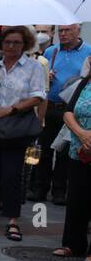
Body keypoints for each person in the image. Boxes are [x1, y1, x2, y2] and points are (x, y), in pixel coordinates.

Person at [0, 26, 45, 241]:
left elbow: (38, 96)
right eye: (7, 42)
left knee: (12, 174)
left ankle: (13, 219)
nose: (11, 46)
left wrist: (10, 109)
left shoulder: (33, 67)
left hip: (15, 128)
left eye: (17, 43)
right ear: (0, 44)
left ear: (25, 45)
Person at [33, 23, 91, 205]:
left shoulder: (88, 51)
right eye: (60, 31)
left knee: (64, 152)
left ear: (78, 30)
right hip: (49, 105)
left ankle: (59, 190)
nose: (63, 34)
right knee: (43, 150)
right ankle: (39, 188)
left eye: (68, 30)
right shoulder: (51, 51)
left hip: (70, 109)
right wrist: (46, 76)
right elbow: (40, 74)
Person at [56, 68, 91, 261]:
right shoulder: (85, 83)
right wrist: (82, 134)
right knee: (77, 196)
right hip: (78, 148)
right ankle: (72, 244)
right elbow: (68, 112)